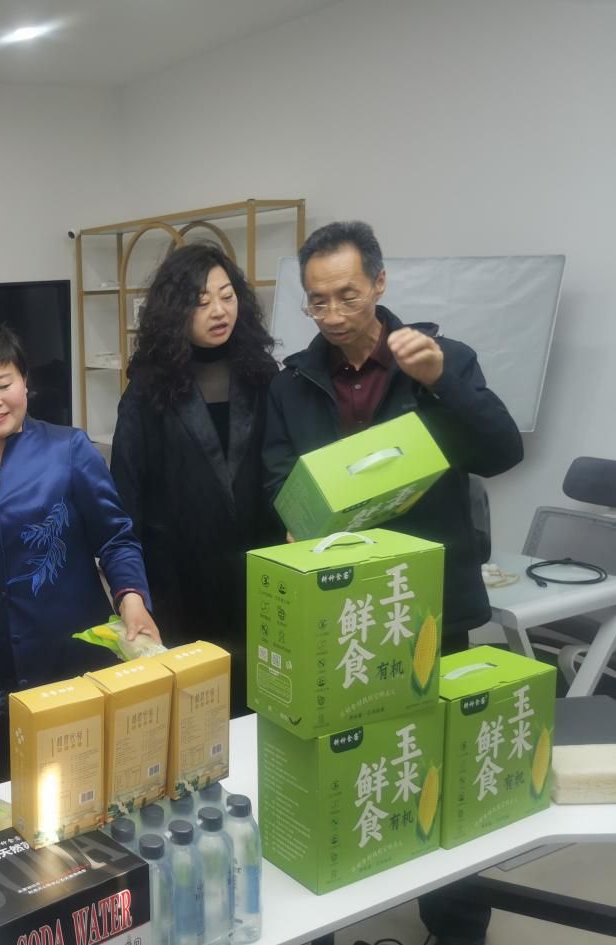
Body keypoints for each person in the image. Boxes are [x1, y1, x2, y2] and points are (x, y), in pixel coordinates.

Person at [263, 221, 523, 945]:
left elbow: (501, 451)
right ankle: (335, 902)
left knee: (443, 760)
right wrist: (296, 517)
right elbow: (277, 473)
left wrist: (440, 383)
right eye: (317, 300)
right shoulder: (292, 381)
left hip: (428, 599)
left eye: (347, 295)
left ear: (379, 282)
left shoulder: (442, 359)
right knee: (340, 760)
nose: (333, 313)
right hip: (336, 606)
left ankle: (457, 926)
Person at [0, 320, 161, 784]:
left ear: (25, 383)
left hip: (72, 646)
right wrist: (0, 587)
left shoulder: (69, 449)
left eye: (4, 384)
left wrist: (132, 597)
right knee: (6, 786)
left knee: (86, 780)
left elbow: (115, 537)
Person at [111, 242, 283, 716]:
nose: (219, 311)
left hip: (256, 571)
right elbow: (125, 499)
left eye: (227, 296)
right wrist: (131, 592)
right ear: (175, 310)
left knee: (259, 703)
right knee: (193, 713)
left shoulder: (263, 376)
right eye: (201, 301)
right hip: (178, 578)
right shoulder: (147, 389)